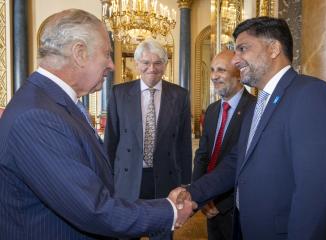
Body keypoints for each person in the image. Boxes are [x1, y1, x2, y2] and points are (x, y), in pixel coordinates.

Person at [0, 9, 194, 240]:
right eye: (106, 54)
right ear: (80, 53)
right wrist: (170, 211)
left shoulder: (53, 103)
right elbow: (94, 209)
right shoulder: (38, 117)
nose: (112, 65)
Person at [177, 16, 326, 240]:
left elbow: (317, 193)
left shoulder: (310, 94)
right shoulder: (257, 105)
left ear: (273, 49)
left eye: (243, 49)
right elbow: (236, 162)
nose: (235, 60)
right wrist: (192, 192)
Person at [104, 39, 192, 239]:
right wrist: (107, 179)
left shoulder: (180, 95)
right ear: (137, 65)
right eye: (145, 63)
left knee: (161, 234)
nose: (152, 68)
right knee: (126, 233)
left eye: (158, 63)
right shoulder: (119, 93)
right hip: (127, 179)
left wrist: (185, 184)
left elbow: (183, 145)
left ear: (165, 65)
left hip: (164, 180)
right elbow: (111, 140)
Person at [192, 50, 255, 240]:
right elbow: (202, 156)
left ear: (238, 74)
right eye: (212, 70)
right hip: (208, 202)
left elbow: (248, 166)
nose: (213, 76)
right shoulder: (211, 111)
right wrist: (199, 195)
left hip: (237, 209)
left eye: (221, 70)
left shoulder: (254, 109)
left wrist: (220, 204)